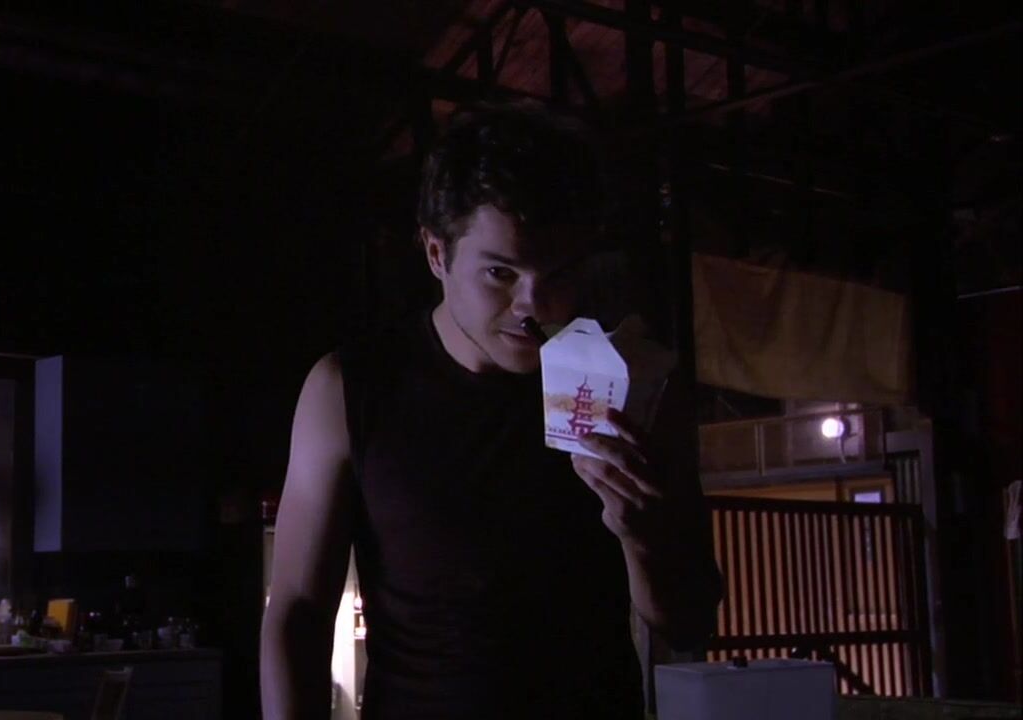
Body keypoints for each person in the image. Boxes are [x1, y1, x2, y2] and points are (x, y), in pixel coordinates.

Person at [261, 101, 722, 719]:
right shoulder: (351, 388)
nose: (533, 303)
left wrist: (643, 534)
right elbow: (297, 610)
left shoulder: (628, 385)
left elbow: (689, 622)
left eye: (559, 273)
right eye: (501, 273)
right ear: (436, 254)